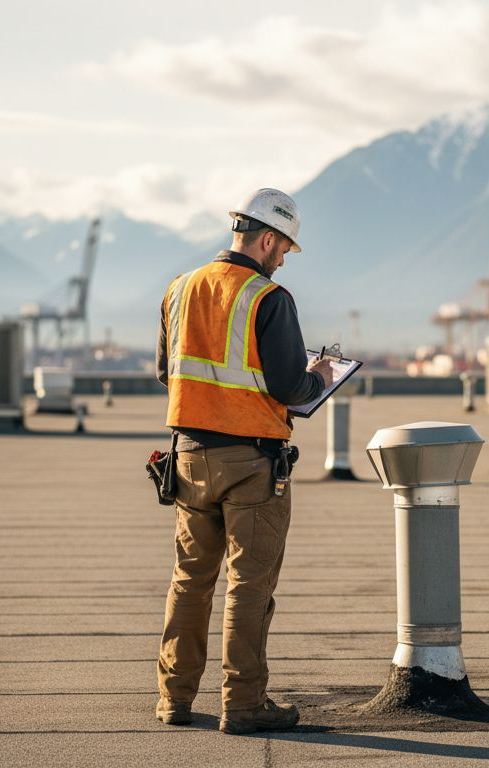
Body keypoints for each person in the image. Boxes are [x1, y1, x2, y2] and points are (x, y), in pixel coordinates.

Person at [154, 188, 334, 734]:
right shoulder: (268, 298)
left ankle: (174, 699)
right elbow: (288, 386)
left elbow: (168, 372)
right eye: (284, 249)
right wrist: (320, 378)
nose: (283, 260)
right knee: (249, 587)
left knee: (189, 582)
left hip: (187, 459)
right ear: (267, 239)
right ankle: (244, 704)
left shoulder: (179, 289)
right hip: (253, 463)